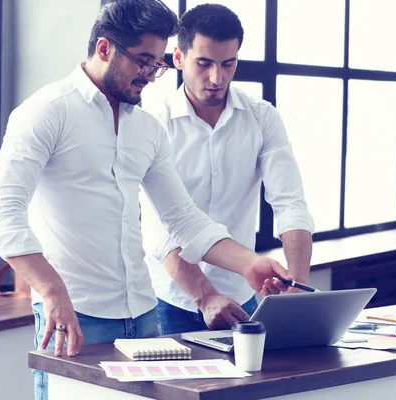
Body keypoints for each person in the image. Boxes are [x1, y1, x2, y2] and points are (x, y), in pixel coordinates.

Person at [0, 1, 291, 399]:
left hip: (144, 318)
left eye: (157, 63)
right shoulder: (45, 113)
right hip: (76, 317)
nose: (150, 74)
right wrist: (52, 290)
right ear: (105, 48)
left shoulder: (146, 128)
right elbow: (2, 213)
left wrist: (250, 263)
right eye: (143, 61)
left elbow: (183, 218)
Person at [144, 4, 314, 335]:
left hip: (242, 293)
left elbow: (289, 202)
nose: (216, 78)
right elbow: (160, 228)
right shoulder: (153, 123)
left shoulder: (262, 117)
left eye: (228, 64)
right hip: (170, 300)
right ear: (178, 58)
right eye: (204, 64)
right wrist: (204, 296)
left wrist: (300, 283)